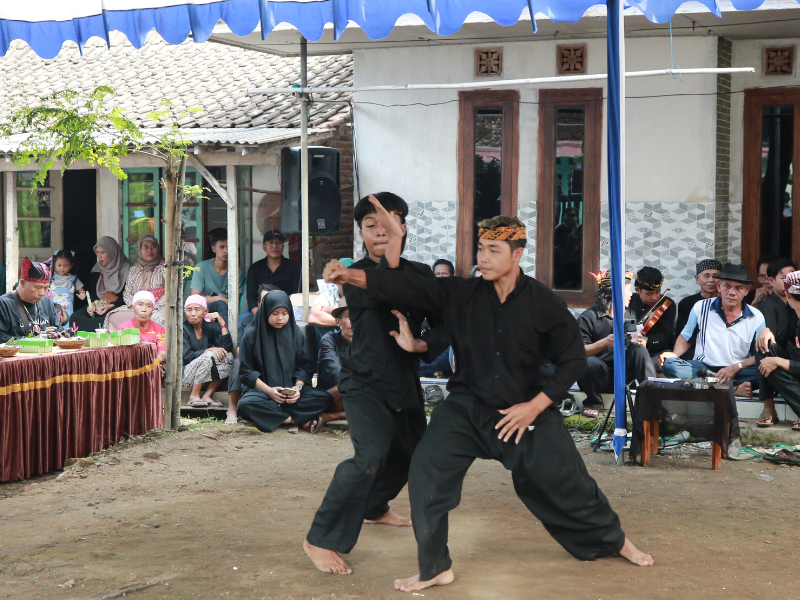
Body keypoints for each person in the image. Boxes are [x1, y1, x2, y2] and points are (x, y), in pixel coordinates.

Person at [321, 206, 653, 590]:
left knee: (567, 482)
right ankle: (435, 567)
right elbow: (406, 287)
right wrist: (349, 274)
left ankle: (616, 541)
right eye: (480, 248)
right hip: (466, 408)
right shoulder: (460, 294)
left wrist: (536, 406)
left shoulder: (544, 303)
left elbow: (573, 360)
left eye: (494, 249)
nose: (483, 257)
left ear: (517, 254)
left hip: (525, 409)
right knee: (426, 471)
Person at [304, 193, 448, 576]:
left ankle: (374, 507)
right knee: (370, 456)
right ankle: (320, 538)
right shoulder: (352, 276)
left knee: (413, 454)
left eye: (389, 223)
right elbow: (386, 286)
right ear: (362, 234)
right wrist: (365, 264)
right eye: (372, 225)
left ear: (403, 228)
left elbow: (445, 321)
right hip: (363, 381)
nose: (381, 231)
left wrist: (422, 344)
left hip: (403, 380)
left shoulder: (421, 274)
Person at [660, 263, 764, 398]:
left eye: (738, 288)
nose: (732, 292)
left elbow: (760, 354)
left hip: (738, 370)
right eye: (727, 286)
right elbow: (686, 337)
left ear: (747, 290)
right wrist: (674, 354)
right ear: (719, 286)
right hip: (704, 368)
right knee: (670, 365)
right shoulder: (700, 307)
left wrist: (737, 367)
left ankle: (711, 385)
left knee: (770, 371)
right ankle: (731, 388)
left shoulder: (756, 316)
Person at [236, 291, 334, 433]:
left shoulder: (295, 333)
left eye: (285, 313)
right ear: (266, 311)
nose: (280, 318)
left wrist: (298, 389)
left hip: (291, 394)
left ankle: (278, 416)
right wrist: (269, 391)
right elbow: (246, 372)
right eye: (275, 313)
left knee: (325, 398)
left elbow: (305, 366)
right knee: (246, 404)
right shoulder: (252, 335)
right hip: (262, 392)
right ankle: (293, 419)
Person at [576, 270, 656, 418]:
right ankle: (592, 402)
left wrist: (640, 341)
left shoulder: (629, 314)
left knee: (639, 350)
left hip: (624, 372)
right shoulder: (589, 317)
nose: (631, 293)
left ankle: (650, 400)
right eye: (627, 289)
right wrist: (604, 343)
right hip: (600, 377)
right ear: (615, 293)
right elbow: (578, 352)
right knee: (589, 363)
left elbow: (636, 340)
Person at [753, 258, 796, 427]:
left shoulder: (794, 303)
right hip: (781, 360)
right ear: (770, 281)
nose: (789, 281)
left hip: (793, 359)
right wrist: (765, 330)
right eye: (784, 277)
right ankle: (768, 405)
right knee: (764, 345)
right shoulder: (769, 306)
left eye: (793, 277)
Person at [227, 283, 278, 424]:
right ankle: (232, 408)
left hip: (275, 366)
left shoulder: (284, 323)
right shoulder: (249, 321)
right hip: (252, 363)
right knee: (239, 361)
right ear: (258, 303)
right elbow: (239, 349)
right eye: (264, 301)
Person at [241, 229, 302, 334]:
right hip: (259, 311)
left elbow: (297, 294)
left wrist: (284, 314)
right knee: (243, 322)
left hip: (285, 312)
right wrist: (258, 314)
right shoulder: (255, 268)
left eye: (278, 242)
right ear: (264, 247)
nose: (274, 246)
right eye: (270, 242)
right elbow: (251, 295)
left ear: (283, 246)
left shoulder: (293, 267)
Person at [182, 295, 234, 407]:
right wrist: (208, 350)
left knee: (228, 356)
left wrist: (221, 322)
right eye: (189, 310)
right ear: (185, 311)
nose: (193, 313)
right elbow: (187, 357)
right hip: (186, 376)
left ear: (205, 311)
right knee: (209, 355)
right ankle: (193, 396)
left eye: (197, 309)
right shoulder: (182, 329)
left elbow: (227, 347)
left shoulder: (209, 327)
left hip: (206, 378)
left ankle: (207, 395)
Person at [105, 235, 166, 331]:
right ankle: (119, 345)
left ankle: (152, 345)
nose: (150, 250)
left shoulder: (164, 267)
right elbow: (127, 292)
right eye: (145, 247)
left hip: (158, 307)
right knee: (113, 316)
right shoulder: (134, 269)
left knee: (158, 319)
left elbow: (170, 292)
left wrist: (153, 307)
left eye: (153, 246)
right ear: (139, 250)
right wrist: (134, 306)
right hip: (136, 307)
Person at [70, 237, 131, 332]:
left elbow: (127, 295)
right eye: (97, 252)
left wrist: (111, 306)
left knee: (104, 321)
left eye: (103, 252)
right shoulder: (98, 268)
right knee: (75, 317)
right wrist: (93, 304)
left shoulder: (127, 269)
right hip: (99, 306)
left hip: (117, 306)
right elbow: (92, 292)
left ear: (112, 252)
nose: (99, 256)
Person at [189, 228, 245, 325]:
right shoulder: (202, 268)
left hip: (227, 312)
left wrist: (217, 300)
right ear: (213, 248)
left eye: (229, 247)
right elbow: (195, 299)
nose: (226, 251)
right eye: (222, 247)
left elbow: (235, 303)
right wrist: (218, 299)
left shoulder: (237, 273)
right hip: (205, 310)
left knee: (222, 306)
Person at [0, 258, 62, 343]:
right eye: (38, 287)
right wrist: (34, 340)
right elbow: (1, 337)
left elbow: (58, 329)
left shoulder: (46, 301)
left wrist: (56, 335)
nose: (42, 293)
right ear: (22, 283)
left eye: (46, 288)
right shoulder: (4, 304)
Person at [313, 297, 350, 423]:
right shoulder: (329, 340)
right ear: (338, 321)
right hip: (331, 394)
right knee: (342, 387)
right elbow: (335, 372)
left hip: (360, 392)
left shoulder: (367, 342)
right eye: (349, 316)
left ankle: (336, 415)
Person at [676, 259, 722, 359]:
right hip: (693, 352)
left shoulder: (727, 302)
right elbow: (684, 337)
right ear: (697, 279)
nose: (711, 280)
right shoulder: (687, 303)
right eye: (706, 276)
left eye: (716, 276)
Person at [628, 267, 675, 362]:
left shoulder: (667, 304)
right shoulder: (629, 301)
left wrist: (647, 340)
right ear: (637, 290)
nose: (655, 297)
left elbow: (666, 335)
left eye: (658, 292)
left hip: (657, 352)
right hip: (630, 349)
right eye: (649, 293)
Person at [116, 290, 167, 364]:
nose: (144, 310)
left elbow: (163, 353)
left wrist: (153, 362)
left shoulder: (159, 330)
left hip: (152, 368)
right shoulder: (123, 328)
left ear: (152, 310)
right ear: (132, 307)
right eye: (140, 305)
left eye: (149, 306)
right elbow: (120, 354)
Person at [49, 249, 86, 321]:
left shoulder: (74, 279)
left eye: (65, 265)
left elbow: (82, 292)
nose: (62, 268)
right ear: (55, 264)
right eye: (59, 265)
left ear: (71, 265)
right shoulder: (50, 278)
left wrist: (82, 296)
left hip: (68, 313)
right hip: (52, 312)